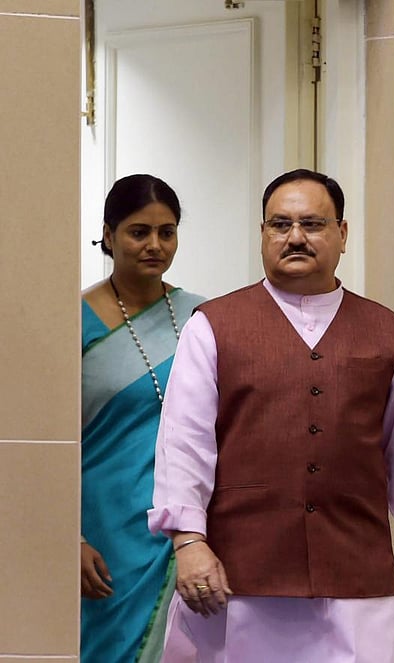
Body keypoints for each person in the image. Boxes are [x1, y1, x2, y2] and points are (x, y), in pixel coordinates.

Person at [148, 168, 394, 662]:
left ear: (342, 234)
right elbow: (183, 444)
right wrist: (188, 541)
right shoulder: (214, 326)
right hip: (241, 578)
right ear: (262, 235)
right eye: (280, 224)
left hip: (357, 579)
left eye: (312, 224)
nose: (295, 236)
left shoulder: (384, 332)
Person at [81, 174, 204, 663]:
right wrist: (71, 535)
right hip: (101, 521)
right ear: (109, 235)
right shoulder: (74, 320)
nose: (155, 245)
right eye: (139, 232)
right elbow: (47, 442)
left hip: (184, 521)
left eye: (167, 232)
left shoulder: (203, 318)